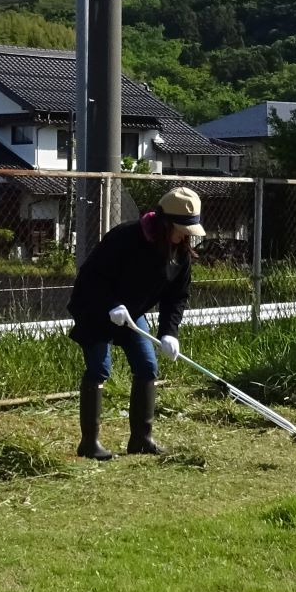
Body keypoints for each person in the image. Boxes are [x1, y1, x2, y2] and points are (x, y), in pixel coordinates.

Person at [67, 185, 203, 460]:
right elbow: (91, 278)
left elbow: (177, 296)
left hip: (132, 313)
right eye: (181, 229)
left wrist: (169, 333)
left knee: (147, 366)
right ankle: (89, 444)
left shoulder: (180, 252)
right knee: (99, 369)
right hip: (96, 309)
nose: (185, 236)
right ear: (165, 223)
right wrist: (110, 305)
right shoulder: (125, 237)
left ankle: (141, 439)